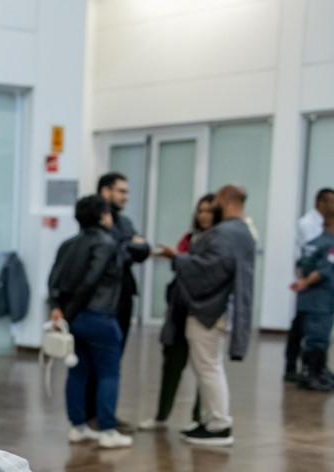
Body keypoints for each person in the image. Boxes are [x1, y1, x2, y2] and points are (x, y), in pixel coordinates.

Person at [154, 185, 257, 447]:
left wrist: (177, 258)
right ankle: (210, 420)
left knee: (209, 368)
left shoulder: (225, 233)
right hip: (219, 309)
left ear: (225, 199)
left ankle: (219, 424)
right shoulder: (243, 231)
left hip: (209, 311)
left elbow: (210, 269)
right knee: (209, 367)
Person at [47, 195, 132, 449]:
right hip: (99, 316)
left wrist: (58, 308)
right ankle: (107, 430)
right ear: (103, 215)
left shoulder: (67, 244)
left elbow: (53, 279)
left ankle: (78, 427)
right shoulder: (106, 243)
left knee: (78, 371)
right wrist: (70, 311)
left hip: (74, 319)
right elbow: (90, 281)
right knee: (108, 373)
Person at [138, 194, 215, 430]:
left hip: (204, 312)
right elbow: (182, 265)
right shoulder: (190, 238)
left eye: (209, 211)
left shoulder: (218, 241)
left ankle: (199, 419)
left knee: (204, 369)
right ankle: (161, 416)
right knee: (171, 364)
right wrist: (172, 256)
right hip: (180, 310)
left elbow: (203, 268)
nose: (204, 216)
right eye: (201, 211)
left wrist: (179, 257)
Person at [88, 172, 151, 432]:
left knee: (113, 361)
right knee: (93, 363)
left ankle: (105, 414)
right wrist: (128, 244)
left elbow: (142, 250)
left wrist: (131, 245)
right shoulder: (92, 219)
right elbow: (114, 251)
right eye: (121, 191)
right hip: (100, 302)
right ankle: (92, 415)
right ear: (106, 191)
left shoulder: (124, 222)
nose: (125, 197)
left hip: (122, 299)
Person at [285, 188, 334, 382]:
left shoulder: (320, 237)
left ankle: (316, 370)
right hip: (317, 293)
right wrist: (305, 282)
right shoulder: (311, 227)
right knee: (312, 335)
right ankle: (307, 372)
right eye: (333, 202)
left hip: (311, 292)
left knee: (312, 334)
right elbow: (322, 264)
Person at [292, 211, 334, 392]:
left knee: (314, 338)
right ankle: (310, 376)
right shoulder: (331, 245)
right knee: (318, 340)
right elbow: (324, 271)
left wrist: (302, 281)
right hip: (322, 301)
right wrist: (306, 282)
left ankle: (319, 372)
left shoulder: (312, 243)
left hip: (309, 300)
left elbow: (299, 265)